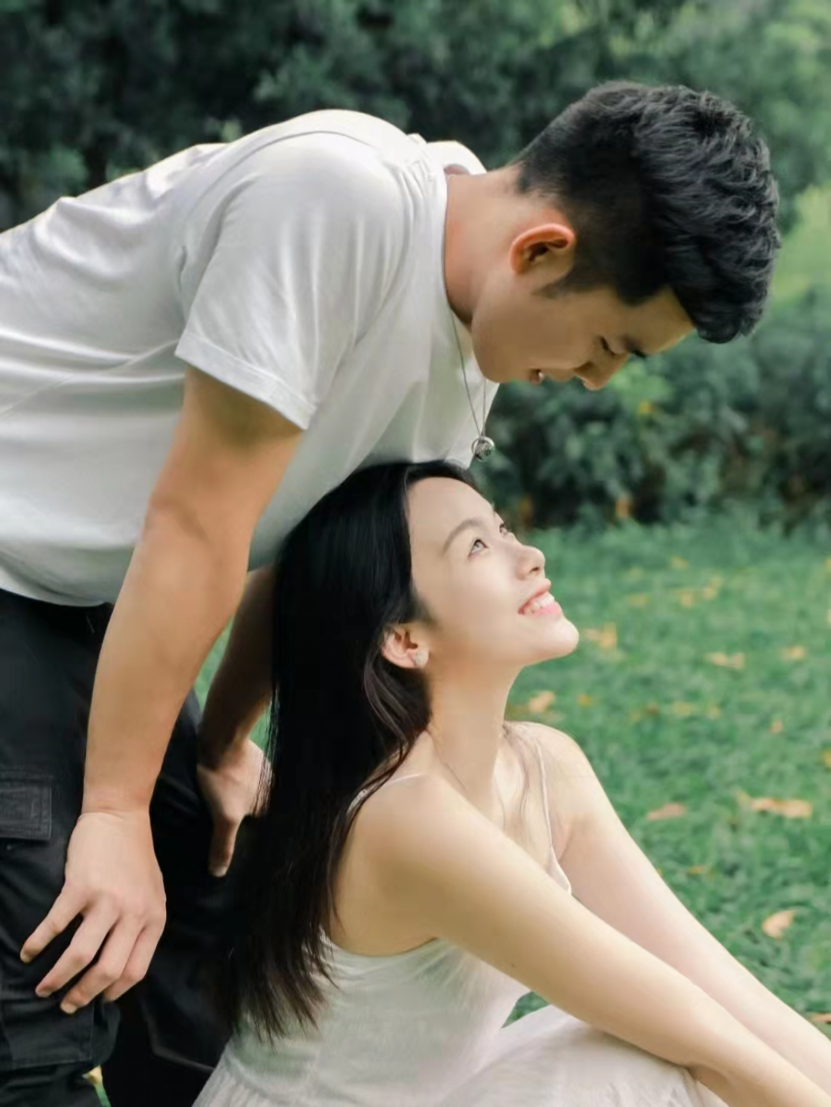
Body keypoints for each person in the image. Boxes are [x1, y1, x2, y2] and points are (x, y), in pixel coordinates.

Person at [0, 82, 779, 1106]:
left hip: (92, 583)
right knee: (55, 944)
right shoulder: (332, 201)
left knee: (204, 898)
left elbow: (307, 552)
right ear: (541, 252)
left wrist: (224, 744)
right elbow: (200, 520)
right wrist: (113, 808)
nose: (595, 380)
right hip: (18, 557)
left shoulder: (461, 348)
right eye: (605, 347)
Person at [195, 459, 831, 1107]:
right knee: (655, 1059)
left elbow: (704, 976)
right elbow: (693, 1030)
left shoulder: (544, 765)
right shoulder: (406, 817)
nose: (529, 555)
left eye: (502, 529)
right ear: (404, 639)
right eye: (477, 546)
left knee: (660, 1033)